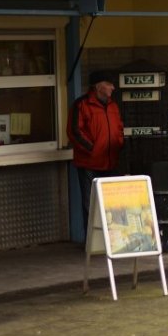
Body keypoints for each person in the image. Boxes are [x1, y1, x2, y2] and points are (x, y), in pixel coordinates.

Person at [67, 69, 126, 230]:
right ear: (99, 87)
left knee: (113, 204)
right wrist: (93, 149)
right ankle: (92, 244)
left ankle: (113, 239)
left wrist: (118, 143)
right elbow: (74, 132)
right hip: (89, 164)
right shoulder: (81, 104)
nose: (113, 88)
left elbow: (119, 128)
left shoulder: (113, 105)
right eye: (109, 84)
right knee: (91, 205)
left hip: (110, 162)